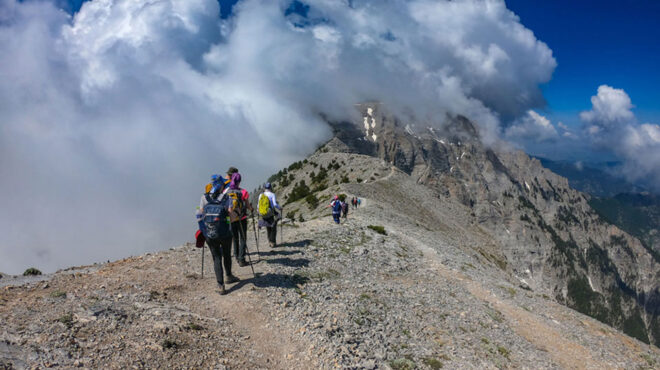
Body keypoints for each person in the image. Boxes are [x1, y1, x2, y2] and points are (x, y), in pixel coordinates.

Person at [196, 180, 239, 295]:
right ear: (221, 188)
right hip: (225, 233)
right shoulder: (226, 198)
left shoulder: (204, 198)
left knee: (216, 257)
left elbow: (199, 214)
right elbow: (232, 217)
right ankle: (229, 276)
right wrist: (236, 215)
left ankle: (220, 285)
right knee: (226, 254)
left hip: (210, 233)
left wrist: (203, 229)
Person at [226, 172, 253, 267]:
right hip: (242, 218)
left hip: (231, 219)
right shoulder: (243, 192)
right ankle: (242, 259)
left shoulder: (227, 192)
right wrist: (251, 209)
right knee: (243, 238)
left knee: (235, 238)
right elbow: (248, 206)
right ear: (239, 181)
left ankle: (236, 255)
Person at [258, 182, 282, 247]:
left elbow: (258, 206)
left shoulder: (261, 195)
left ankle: (269, 242)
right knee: (273, 227)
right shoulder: (272, 194)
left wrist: (260, 213)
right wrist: (280, 208)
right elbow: (274, 204)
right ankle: (272, 242)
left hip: (263, 213)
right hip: (270, 213)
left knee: (268, 227)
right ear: (270, 187)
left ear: (264, 188)